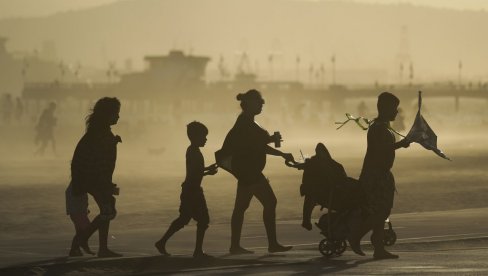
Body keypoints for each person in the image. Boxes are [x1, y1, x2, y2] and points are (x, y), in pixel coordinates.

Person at [222, 89, 296, 254]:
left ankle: (235, 246)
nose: (262, 104)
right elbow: (258, 146)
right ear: (248, 104)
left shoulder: (245, 121)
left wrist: (270, 140)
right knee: (270, 202)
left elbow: (254, 144)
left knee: (240, 208)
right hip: (251, 173)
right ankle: (272, 244)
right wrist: (282, 153)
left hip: (246, 172)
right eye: (259, 102)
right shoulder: (245, 123)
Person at [347, 92, 410, 259]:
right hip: (375, 176)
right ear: (385, 108)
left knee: (382, 211)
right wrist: (401, 144)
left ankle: (376, 246)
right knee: (379, 212)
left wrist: (400, 144)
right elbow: (380, 151)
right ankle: (359, 237)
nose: (396, 112)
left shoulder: (383, 127)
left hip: (381, 174)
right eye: (394, 109)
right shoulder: (378, 128)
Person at [155, 121, 218, 258]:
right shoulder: (193, 152)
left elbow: (196, 170)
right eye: (203, 136)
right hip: (192, 191)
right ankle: (196, 251)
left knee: (187, 219)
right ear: (195, 137)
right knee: (200, 220)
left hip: (191, 190)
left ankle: (163, 242)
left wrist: (207, 169)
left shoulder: (193, 151)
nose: (206, 139)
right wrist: (208, 172)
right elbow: (195, 172)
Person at [71, 97, 123, 258]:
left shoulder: (100, 132)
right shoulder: (100, 134)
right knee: (108, 210)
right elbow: (98, 163)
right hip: (91, 179)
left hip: (92, 179)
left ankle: (100, 248)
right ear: (107, 115)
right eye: (116, 113)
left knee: (108, 208)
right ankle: (82, 241)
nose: (118, 117)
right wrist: (105, 184)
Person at [65, 183, 95, 257]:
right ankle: (82, 245)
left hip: (76, 212)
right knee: (87, 229)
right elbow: (77, 199)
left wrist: (84, 209)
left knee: (80, 231)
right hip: (78, 212)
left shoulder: (74, 185)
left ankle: (75, 250)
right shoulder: (77, 185)